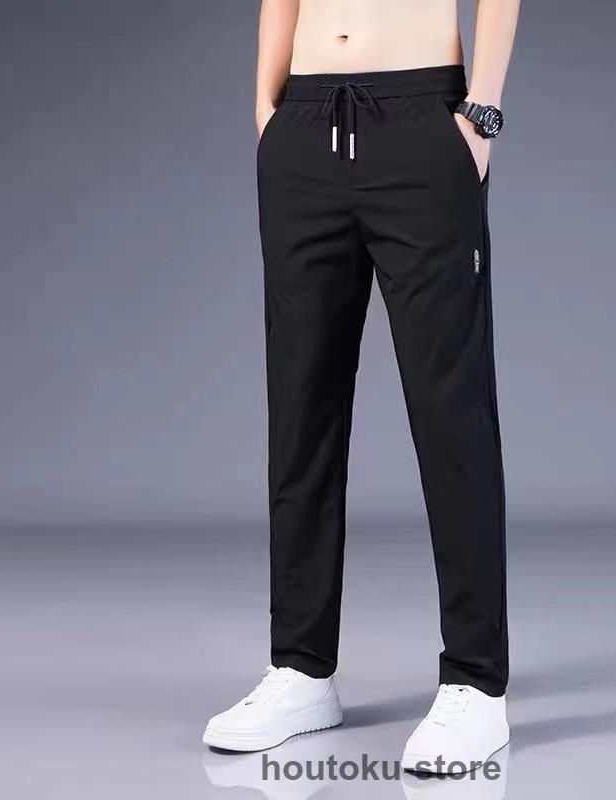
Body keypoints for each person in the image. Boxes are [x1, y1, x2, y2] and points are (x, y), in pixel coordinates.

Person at [203, 0, 520, 773]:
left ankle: (476, 682)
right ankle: (301, 668)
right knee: (301, 407)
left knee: (451, 410)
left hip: (422, 121)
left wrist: (480, 112)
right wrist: (268, 110)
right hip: (305, 123)